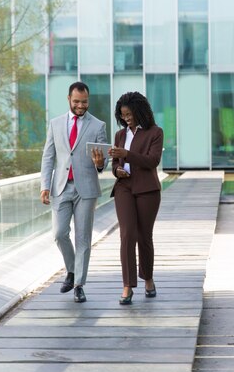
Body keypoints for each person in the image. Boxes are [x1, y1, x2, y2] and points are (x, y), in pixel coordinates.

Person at [40, 81, 108, 303]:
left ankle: (79, 284)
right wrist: (45, 186)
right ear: (69, 99)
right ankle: (71, 270)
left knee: (83, 238)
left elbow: (103, 161)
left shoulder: (98, 126)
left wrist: (100, 163)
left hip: (86, 189)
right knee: (59, 234)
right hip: (60, 188)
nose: (81, 105)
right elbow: (49, 157)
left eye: (85, 101)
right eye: (77, 101)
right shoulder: (55, 124)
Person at [108, 92, 164, 305]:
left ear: (139, 111)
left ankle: (148, 278)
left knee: (144, 236)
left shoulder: (155, 132)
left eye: (129, 114)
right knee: (127, 234)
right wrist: (117, 170)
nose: (126, 118)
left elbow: (152, 161)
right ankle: (127, 285)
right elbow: (115, 163)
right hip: (124, 187)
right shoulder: (120, 134)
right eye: (123, 115)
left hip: (147, 189)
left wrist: (126, 154)